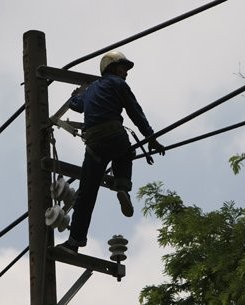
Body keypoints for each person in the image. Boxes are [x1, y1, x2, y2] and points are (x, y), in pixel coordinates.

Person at [58, 51, 165, 254]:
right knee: (125, 153)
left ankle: (74, 242)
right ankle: (122, 186)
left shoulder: (90, 91)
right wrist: (151, 139)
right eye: (123, 68)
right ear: (112, 68)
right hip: (114, 134)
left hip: (94, 143)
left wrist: (75, 96)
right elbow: (135, 112)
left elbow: (76, 105)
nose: (126, 73)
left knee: (86, 195)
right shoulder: (118, 84)